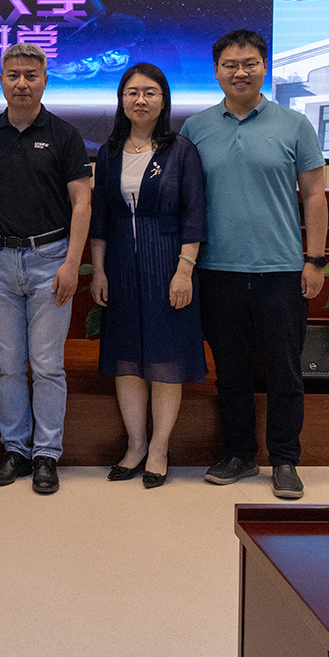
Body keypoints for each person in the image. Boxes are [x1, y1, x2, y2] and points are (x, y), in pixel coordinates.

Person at [179, 29, 327, 500]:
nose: (240, 72)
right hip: (217, 270)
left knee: (285, 371)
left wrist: (315, 259)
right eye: (230, 65)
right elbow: (185, 200)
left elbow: (315, 195)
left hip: (281, 270)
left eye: (249, 63)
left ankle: (284, 460)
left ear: (264, 66)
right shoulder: (195, 128)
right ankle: (240, 454)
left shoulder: (294, 125)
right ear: (216, 71)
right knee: (231, 371)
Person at [0, 42, 92, 495]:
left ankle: (46, 454)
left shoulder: (65, 135)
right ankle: (16, 450)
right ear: (1, 80)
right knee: (7, 366)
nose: (22, 83)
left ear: (45, 81)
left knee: (46, 365)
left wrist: (72, 263)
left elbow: (82, 202)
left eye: (30, 75)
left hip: (51, 261)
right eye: (13, 75)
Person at [87, 64, 207, 489]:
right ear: (122, 100)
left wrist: (184, 270)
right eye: (132, 92)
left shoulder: (181, 150)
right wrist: (98, 270)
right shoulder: (109, 152)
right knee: (126, 359)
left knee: (165, 358)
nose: (140, 99)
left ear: (163, 100)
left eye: (150, 92)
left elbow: (194, 214)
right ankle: (135, 445)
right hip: (120, 264)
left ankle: (159, 448)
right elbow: (100, 218)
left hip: (167, 263)